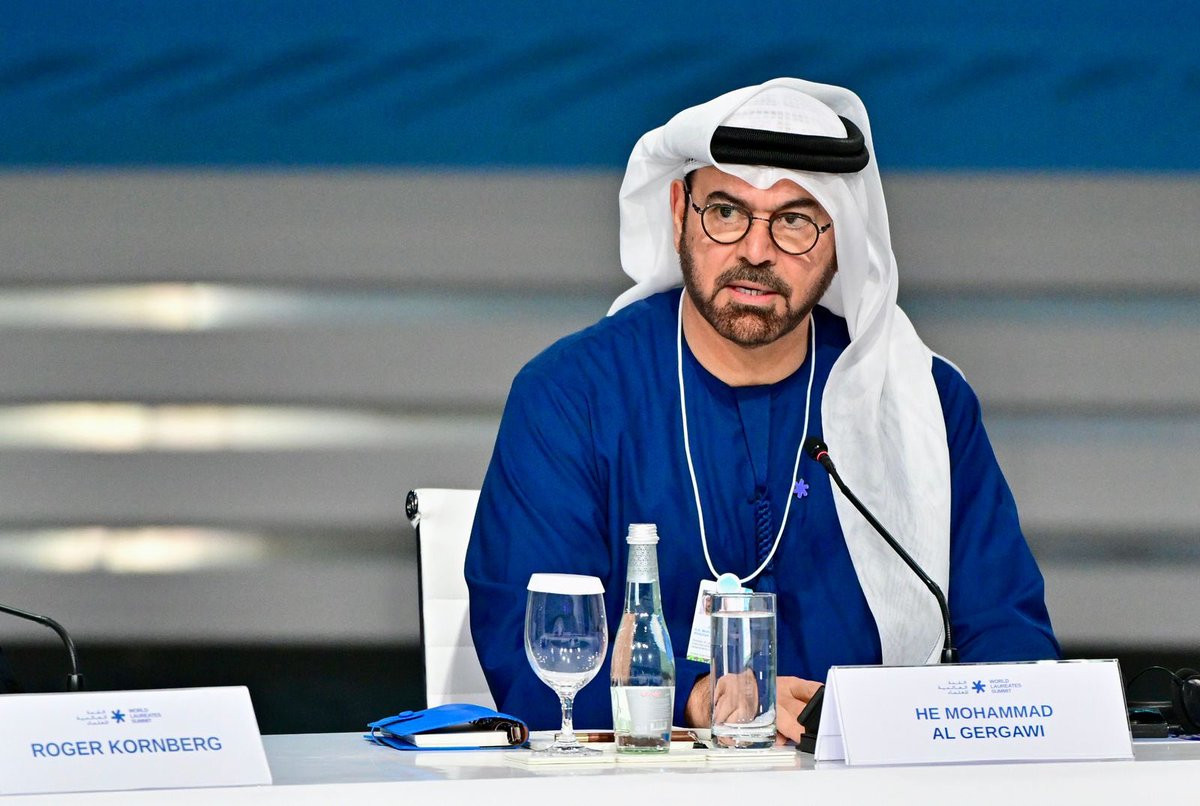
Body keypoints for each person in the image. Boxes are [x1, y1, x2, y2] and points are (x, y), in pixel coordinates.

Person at [465, 78, 1059, 742]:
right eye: (726, 212)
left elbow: (1012, 646)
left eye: (795, 221)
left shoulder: (923, 405)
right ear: (678, 212)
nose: (756, 250)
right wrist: (696, 702)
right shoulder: (570, 399)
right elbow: (539, 663)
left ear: (842, 238)